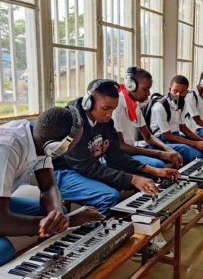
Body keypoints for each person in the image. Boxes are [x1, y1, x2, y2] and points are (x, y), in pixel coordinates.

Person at [53, 79, 180, 215]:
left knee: (148, 176)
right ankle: (101, 234)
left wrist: (153, 170)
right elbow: (87, 167)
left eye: (113, 109)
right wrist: (133, 179)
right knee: (109, 197)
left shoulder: (106, 121)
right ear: (88, 103)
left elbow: (116, 155)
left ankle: (143, 222)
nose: (109, 114)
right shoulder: (72, 122)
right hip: (64, 172)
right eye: (105, 108)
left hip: (94, 166)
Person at [0, 107, 104, 266]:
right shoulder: (6, 148)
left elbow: (48, 186)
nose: (72, 150)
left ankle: (50, 267)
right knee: (4, 250)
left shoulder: (38, 138)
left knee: (59, 214)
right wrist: (69, 221)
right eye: (72, 146)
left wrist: (57, 215)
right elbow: (2, 222)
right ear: (58, 146)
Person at [112, 67, 183, 169]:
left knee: (178, 152)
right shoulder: (116, 104)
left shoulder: (133, 105)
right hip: (122, 153)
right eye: (145, 89)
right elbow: (122, 146)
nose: (149, 93)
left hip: (133, 148)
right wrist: (160, 154)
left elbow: (148, 137)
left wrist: (168, 150)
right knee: (158, 164)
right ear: (131, 86)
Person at [149, 75, 203, 165]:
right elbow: (168, 136)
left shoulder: (182, 104)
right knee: (194, 153)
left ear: (187, 92)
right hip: (162, 141)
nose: (178, 95)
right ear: (169, 89)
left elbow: (183, 127)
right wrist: (195, 144)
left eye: (182, 92)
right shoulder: (160, 106)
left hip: (175, 136)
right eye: (175, 91)